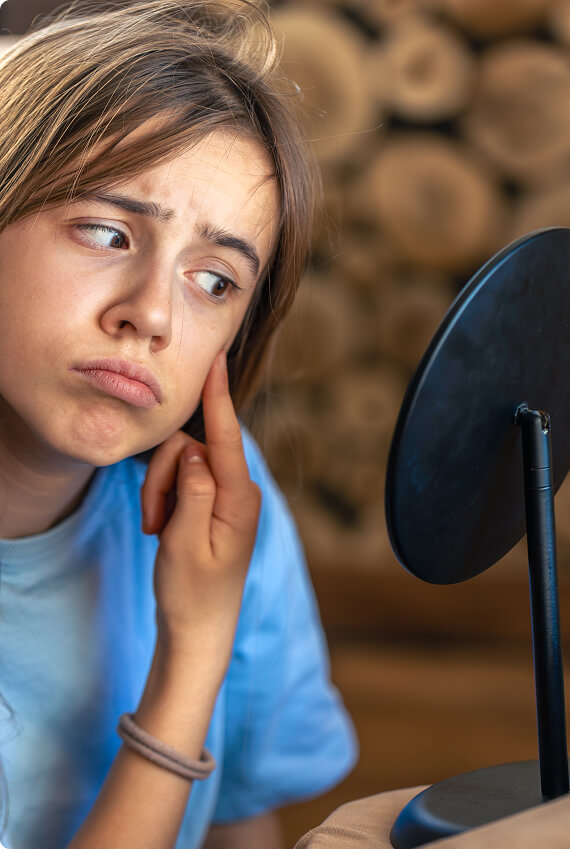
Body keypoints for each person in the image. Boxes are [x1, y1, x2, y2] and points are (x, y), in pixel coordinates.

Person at [0, 2, 357, 847]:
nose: (153, 314)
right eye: (104, 230)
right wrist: (191, 656)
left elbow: (240, 824)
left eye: (215, 281)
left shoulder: (220, 511)